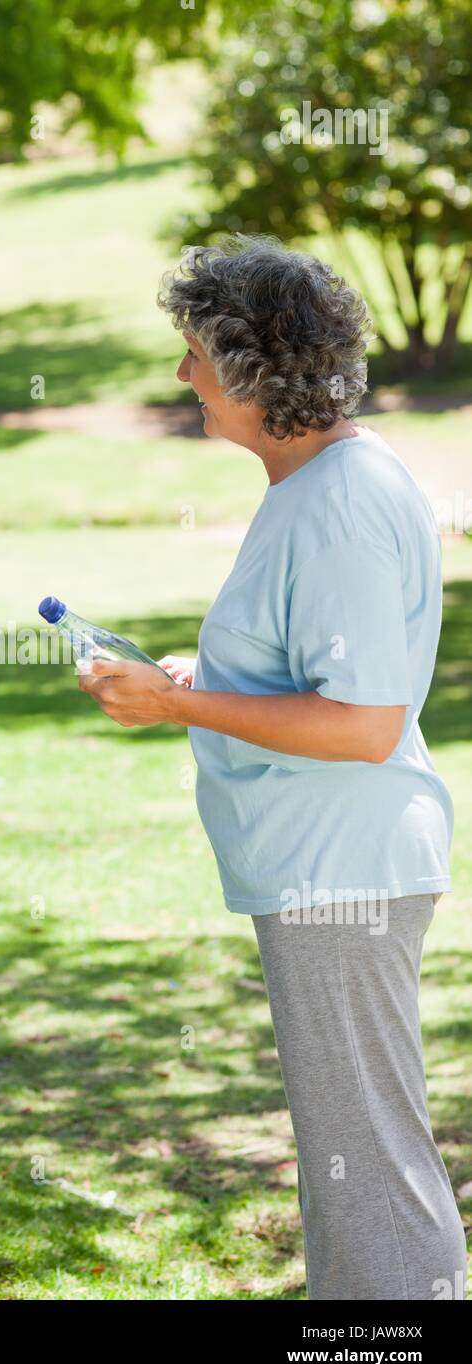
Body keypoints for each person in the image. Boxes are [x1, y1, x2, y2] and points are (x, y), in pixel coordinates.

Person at [77, 234, 467, 1301]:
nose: (181, 375)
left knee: (370, 1169)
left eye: (194, 350)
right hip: (330, 868)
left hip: (340, 873)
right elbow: (323, 671)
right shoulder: (324, 477)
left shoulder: (337, 498)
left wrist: (177, 704)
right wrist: (204, 671)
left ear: (253, 370)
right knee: (352, 1161)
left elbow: (363, 722)